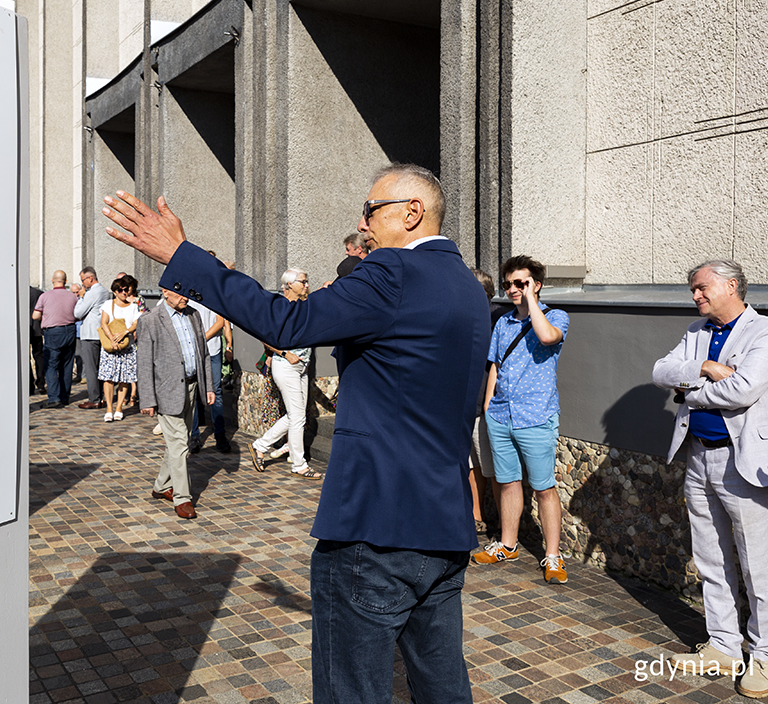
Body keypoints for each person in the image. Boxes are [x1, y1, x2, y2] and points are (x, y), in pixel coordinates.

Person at [103, 163, 490, 703]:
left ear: (411, 211)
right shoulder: (469, 289)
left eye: (370, 209)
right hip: (441, 528)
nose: (362, 222)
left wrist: (183, 257)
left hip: (374, 530)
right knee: (444, 687)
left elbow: (285, 322)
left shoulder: (392, 275)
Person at [652, 259, 768, 699]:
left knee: (758, 566)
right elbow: (659, 371)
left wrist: (690, 391)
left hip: (745, 462)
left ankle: (766, 656)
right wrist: (708, 370)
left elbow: (745, 390)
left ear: (732, 285)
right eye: (693, 290)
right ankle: (724, 646)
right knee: (711, 559)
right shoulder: (696, 333)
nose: (695, 296)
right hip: (697, 457)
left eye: (701, 288)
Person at [471, 256, 570, 584]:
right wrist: (488, 408)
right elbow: (495, 364)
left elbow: (546, 337)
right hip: (501, 416)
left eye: (521, 283)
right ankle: (508, 544)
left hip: (536, 417)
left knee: (543, 488)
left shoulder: (556, 317)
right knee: (508, 482)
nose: (513, 289)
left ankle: (553, 556)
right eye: (509, 284)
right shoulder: (503, 323)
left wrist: (531, 302)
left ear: (536, 285)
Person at [136, 286, 215, 520]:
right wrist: (148, 399)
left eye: (188, 293)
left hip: (191, 387)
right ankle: (183, 498)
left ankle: (161, 485)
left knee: (175, 443)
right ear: (165, 292)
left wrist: (208, 386)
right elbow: (144, 363)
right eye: (179, 293)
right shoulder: (150, 320)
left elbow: (204, 354)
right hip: (166, 392)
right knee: (181, 443)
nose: (185, 297)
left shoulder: (193, 315)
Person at [248, 268, 322, 479]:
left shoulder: (304, 306)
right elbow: (262, 334)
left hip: (302, 366)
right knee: (297, 417)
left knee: (296, 416)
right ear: (289, 285)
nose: (307, 285)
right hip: (286, 364)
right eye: (303, 282)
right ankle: (299, 464)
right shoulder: (278, 307)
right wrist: (284, 353)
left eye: (307, 282)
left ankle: (260, 445)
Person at [468, 269, 502, 532]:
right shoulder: (466, 317)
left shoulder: (495, 320)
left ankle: (504, 527)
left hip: (484, 406)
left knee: (492, 469)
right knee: (473, 465)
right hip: (465, 405)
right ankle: (475, 516)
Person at [188, 297, 232, 454]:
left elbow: (220, 322)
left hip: (212, 350)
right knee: (193, 392)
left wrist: (201, 339)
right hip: (191, 352)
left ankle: (220, 435)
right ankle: (194, 436)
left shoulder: (213, 295)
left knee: (216, 391)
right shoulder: (186, 296)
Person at [32, 270, 79, 408]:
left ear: (53, 280)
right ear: (66, 280)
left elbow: (35, 316)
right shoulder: (73, 297)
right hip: (70, 330)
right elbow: (78, 314)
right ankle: (65, 397)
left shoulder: (45, 296)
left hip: (53, 332)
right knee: (67, 364)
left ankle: (54, 398)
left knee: (51, 365)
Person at [98, 274, 141, 422]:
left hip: (126, 346)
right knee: (108, 378)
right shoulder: (107, 304)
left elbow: (136, 323)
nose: (124, 293)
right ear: (115, 291)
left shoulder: (134, 307)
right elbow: (104, 323)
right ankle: (109, 408)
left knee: (125, 378)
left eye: (126, 290)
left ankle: (119, 408)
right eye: (121, 290)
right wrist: (112, 339)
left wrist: (125, 332)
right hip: (110, 347)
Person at [74, 266, 111, 409]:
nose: (82, 283)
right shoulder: (104, 291)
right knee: (99, 367)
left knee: (90, 368)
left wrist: (81, 297)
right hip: (100, 333)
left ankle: (94, 399)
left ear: (90, 278)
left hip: (90, 334)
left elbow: (78, 313)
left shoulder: (91, 293)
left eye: (83, 280)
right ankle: (101, 397)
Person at [29, 285, 47, 395]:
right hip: (37, 329)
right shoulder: (39, 293)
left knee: (25, 359)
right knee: (39, 356)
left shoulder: (18, 293)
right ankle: (41, 384)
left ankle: (30, 386)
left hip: (24, 330)